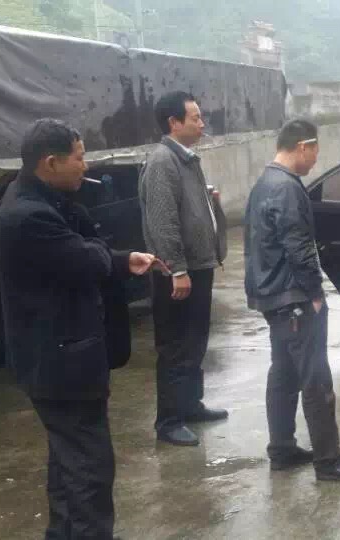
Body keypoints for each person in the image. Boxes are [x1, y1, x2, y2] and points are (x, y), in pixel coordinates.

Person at [0, 118, 164, 539]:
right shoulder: (28, 216)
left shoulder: (44, 200)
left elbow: (87, 251)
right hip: (59, 366)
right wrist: (110, 257)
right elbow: (85, 259)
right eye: (79, 158)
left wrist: (122, 258)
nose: (85, 166)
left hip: (58, 361)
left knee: (68, 463)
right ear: (50, 163)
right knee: (90, 469)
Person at [244, 119, 340, 482]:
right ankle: (329, 461)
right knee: (316, 378)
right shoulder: (287, 188)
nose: (316, 159)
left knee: (283, 373)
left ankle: (282, 449)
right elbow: (298, 247)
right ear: (303, 146)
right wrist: (315, 294)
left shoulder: (264, 183)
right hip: (294, 299)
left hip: (272, 297)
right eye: (315, 151)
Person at [140, 91, 229, 447]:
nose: (202, 124)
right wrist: (176, 269)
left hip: (198, 266)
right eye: (195, 118)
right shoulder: (163, 162)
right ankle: (169, 420)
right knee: (176, 346)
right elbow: (163, 222)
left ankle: (190, 405)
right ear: (173, 123)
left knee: (195, 342)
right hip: (177, 273)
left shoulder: (187, 160)